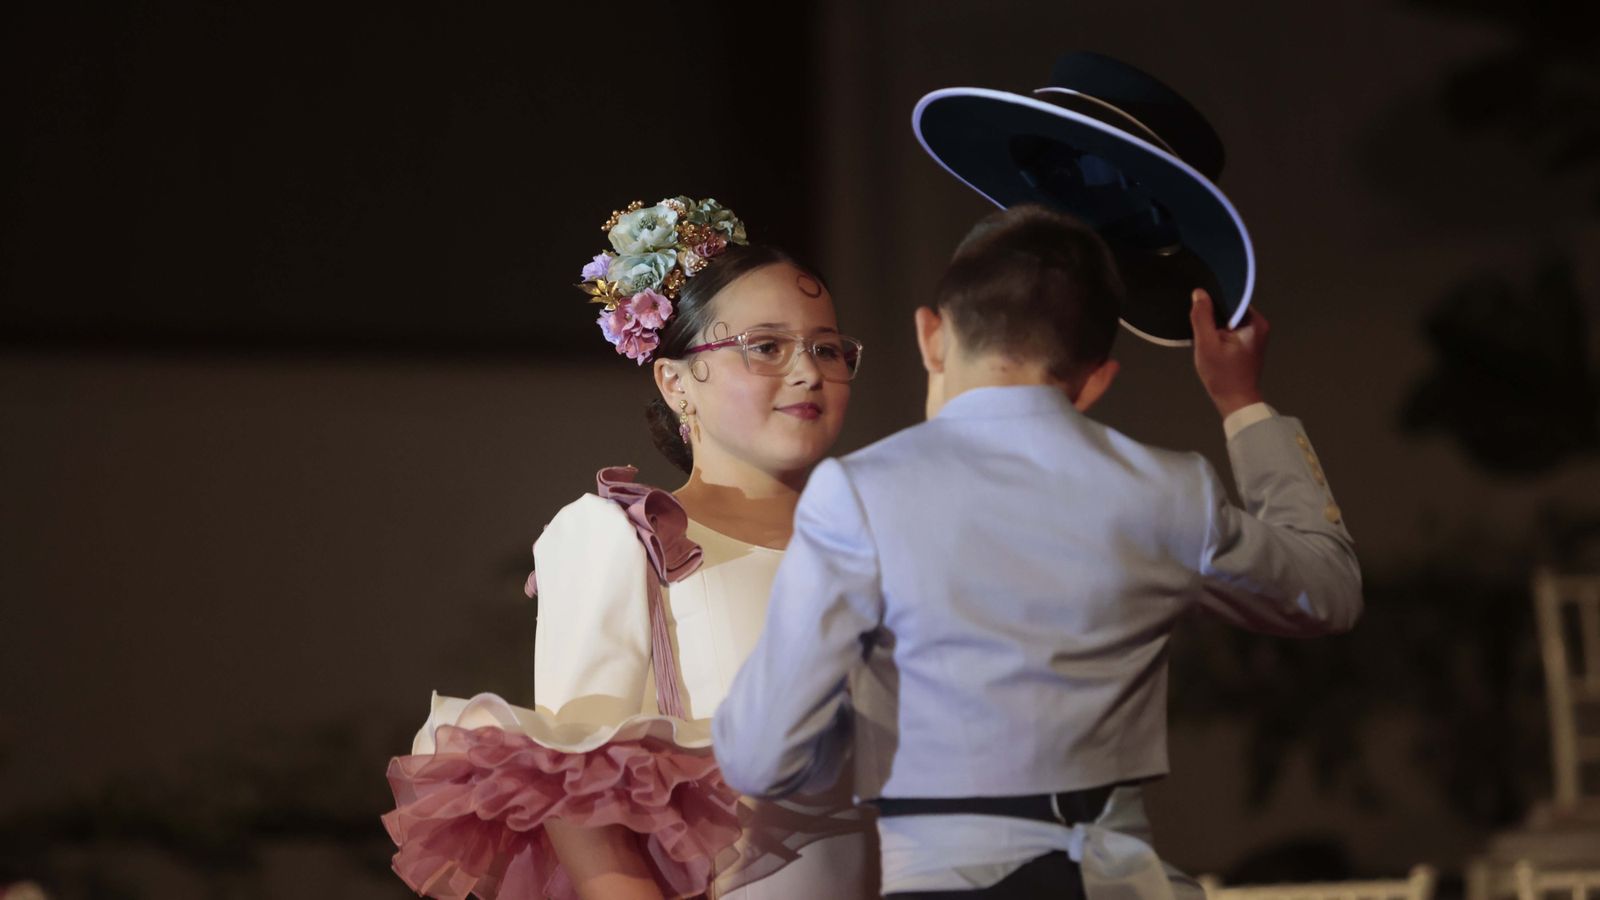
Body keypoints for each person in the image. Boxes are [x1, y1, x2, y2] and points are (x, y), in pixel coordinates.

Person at [712, 204, 1363, 899]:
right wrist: (1241, 399)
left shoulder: (863, 492)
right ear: (1096, 380)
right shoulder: (1172, 490)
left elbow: (759, 757)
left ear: (931, 336)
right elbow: (1330, 589)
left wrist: (859, 727)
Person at [383, 196, 879, 900]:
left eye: (825, 348)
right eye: (766, 347)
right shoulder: (621, 535)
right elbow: (580, 800)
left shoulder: (881, 543)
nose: (807, 372)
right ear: (676, 382)